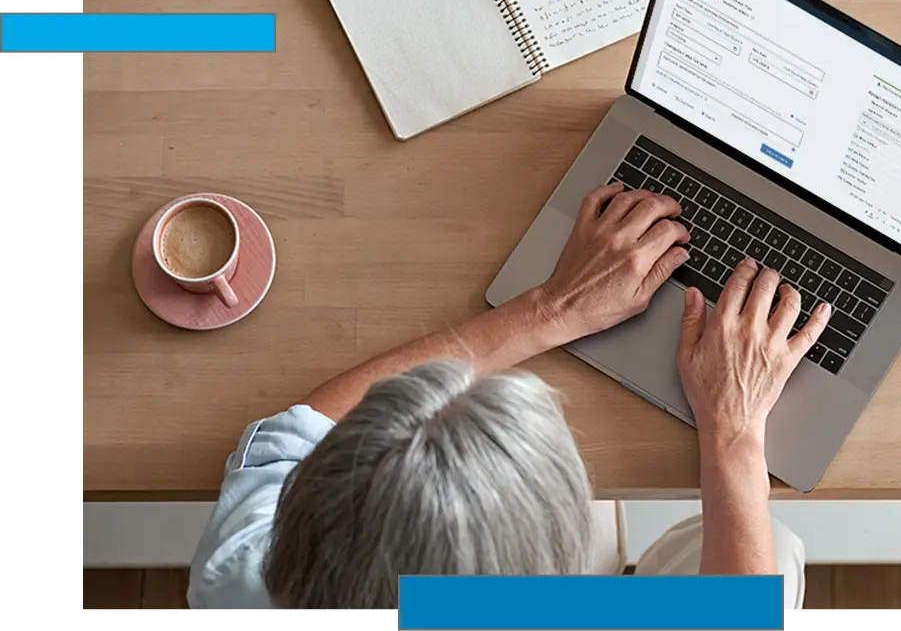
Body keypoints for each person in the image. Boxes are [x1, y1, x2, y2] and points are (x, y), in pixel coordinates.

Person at [187, 183, 834, 612]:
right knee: (768, 546)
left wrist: (552, 307)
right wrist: (735, 430)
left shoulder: (244, 574)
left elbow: (304, 426)